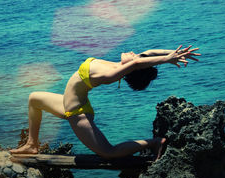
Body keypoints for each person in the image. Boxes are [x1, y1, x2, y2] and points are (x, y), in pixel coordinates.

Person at [10, 45, 200, 159]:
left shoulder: (111, 73)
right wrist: (175, 52)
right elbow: (148, 54)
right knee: (34, 98)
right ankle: (32, 144)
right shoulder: (121, 65)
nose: (134, 52)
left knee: (108, 152)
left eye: (135, 57)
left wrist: (167, 60)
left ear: (133, 68)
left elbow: (136, 63)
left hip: (77, 113)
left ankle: (154, 142)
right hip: (68, 103)